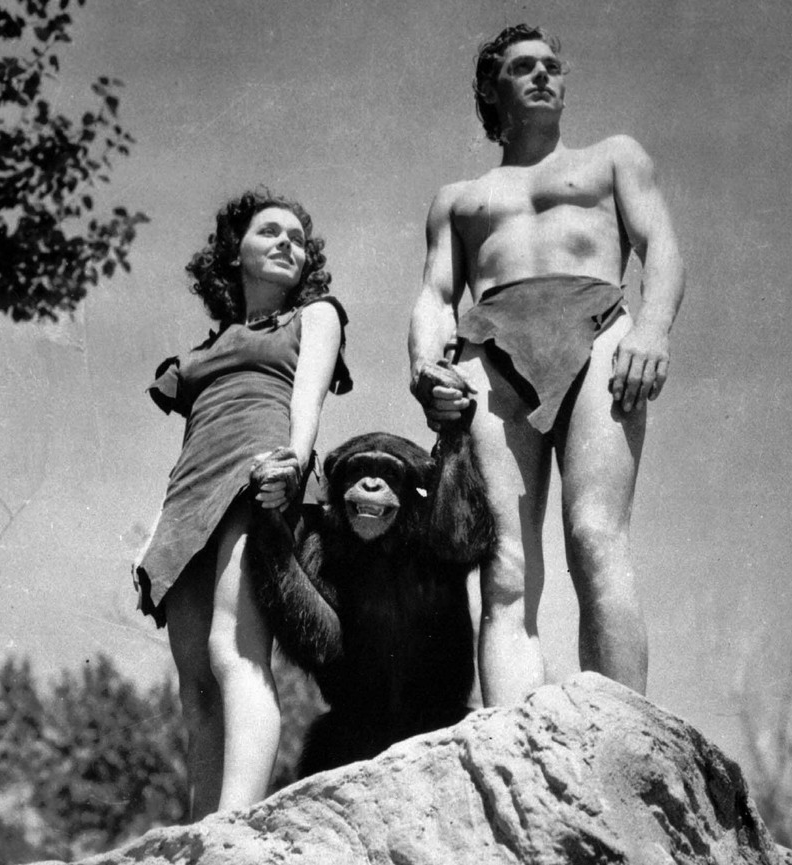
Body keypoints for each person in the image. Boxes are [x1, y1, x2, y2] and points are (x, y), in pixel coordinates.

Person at [408, 24, 685, 707]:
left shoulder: (611, 158)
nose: (542, 75)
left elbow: (660, 245)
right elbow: (436, 295)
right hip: (490, 344)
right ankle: (514, 739)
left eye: (552, 66)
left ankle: (621, 728)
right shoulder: (458, 198)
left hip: (596, 331)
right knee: (504, 565)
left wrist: (652, 327)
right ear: (490, 89)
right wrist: (424, 365)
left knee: (595, 536)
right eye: (522, 66)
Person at [133, 189, 352, 817]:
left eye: (297, 239)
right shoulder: (207, 348)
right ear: (235, 253)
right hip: (188, 502)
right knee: (195, 685)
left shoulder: (315, 315)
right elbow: (192, 442)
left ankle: (236, 825)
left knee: (235, 649)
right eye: (270, 232)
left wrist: (293, 464)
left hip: (263, 478)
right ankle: (203, 829)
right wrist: (156, 532)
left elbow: (307, 400)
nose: (287, 243)